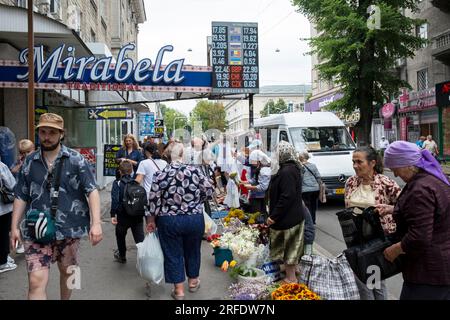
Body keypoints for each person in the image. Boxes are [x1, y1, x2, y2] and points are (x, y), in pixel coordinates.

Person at [10, 113, 103, 300]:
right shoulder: (29, 161)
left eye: (52, 132)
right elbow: (21, 195)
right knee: (36, 280)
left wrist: (96, 223)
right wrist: (13, 227)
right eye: (43, 132)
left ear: (62, 134)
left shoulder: (77, 159)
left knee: (70, 273)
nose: (46, 136)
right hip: (36, 229)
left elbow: (92, 190)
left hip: (70, 229)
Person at [377, 141, 450, 300]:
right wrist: (393, 209)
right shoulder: (434, 179)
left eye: (395, 169)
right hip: (441, 268)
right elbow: (434, 214)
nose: (395, 174)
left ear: (407, 164)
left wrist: (395, 249)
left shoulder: (419, 189)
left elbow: (420, 236)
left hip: (428, 273)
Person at [146, 142, 214, 300]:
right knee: (193, 250)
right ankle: (193, 281)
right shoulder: (194, 171)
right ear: (184, 155)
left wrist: (151, 220)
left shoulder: (161, 174)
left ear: (169, 156)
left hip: (169, 220)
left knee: (172, 253)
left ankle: (179, 291)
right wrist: (196, 201)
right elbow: (209, 191)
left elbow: (153, 200)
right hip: (194, 219)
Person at [345, 146, 401, 300]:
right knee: (362, 279)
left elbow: (404, 206)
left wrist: (389, 212)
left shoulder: (385, 182)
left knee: (375, 280)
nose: (355, 166)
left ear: (372, 163)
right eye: (353, 162)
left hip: (377, 241)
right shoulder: (351, 182)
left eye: (359, 162)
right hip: (355, 240)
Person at [267, 141, 305, 284]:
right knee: (290, 248)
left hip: (288, 219)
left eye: (276, 153)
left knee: (289, 249)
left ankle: (291, 279)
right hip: (291, 217)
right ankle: (292, 271)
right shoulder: (290, 168)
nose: (274, 156)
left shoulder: (287, 171)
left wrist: (273, 217)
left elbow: (286, 196)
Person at [110, 161, 145, 263]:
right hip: (137, 215)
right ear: (132, 171)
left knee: (120, 235)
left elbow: (115, 200)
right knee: (139, 238)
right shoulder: (136, 183)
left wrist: (113, 214)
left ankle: (122, 256)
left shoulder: (117, 183)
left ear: (120, 172)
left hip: (123, 215)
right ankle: (144, 259)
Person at [9, 139, 35, 254]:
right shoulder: (20, 162)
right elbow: (12, 170)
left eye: (28, 152)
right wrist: (20, 163)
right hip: (20, 195)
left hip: (32, 195)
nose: (25, 155)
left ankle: (31, 238)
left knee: (29, 218)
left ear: (33, 150)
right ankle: (20, 242)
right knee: (18, 220)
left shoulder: (35, 162)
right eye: (22, 152)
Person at [240, 149, 271, 218]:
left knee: (258, 214)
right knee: (259, 213)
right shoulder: (259, 166)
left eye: (253, 161)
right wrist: (244, 182)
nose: (252, 164)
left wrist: (250, 187)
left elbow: (263, 187)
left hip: (261, 195)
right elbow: (254, 179)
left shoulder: (265, 169)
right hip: (256, 194)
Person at [0, 160, 16, 273]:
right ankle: (3, 262)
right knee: (3, 234)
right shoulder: (1, 166)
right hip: (2, 209)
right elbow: (11, 184)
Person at [298, 151, 321, 224]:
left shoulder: (300, 167)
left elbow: (299, 178)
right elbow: (318, 177)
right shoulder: (313, 165)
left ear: (300, 158)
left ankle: (308, 222)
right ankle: (313, 221)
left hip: (305, 190)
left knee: (307, 206)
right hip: (315, 189)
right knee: (313, 205)